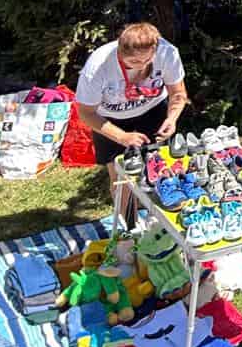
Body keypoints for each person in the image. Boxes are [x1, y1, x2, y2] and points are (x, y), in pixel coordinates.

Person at [76, 23, 189, 223]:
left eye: (147, 60)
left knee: (161, 171)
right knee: (122, 181)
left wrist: (172, 119)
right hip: (110, 120)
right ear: (120, 50)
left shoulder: (168, 52)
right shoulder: (97, 67)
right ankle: (130, 229)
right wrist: (122, 137)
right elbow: (85, 113)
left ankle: (166, 226)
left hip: (152, 110)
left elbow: (178, 94)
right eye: (133, 62)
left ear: (155, 49)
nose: (141, 65)